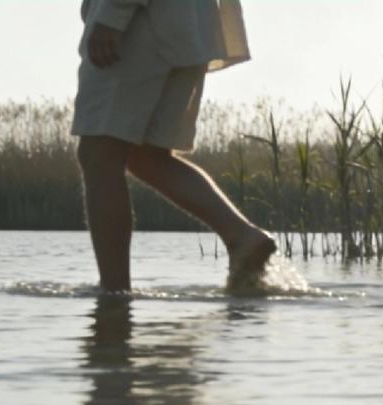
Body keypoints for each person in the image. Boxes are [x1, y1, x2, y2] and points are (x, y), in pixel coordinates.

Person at [72, 0, 276, 292]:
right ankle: (242, 236)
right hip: (186, 26)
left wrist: (113, 14)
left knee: (100, 153)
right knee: (146, 154)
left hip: (141, 24)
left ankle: (114, 294)